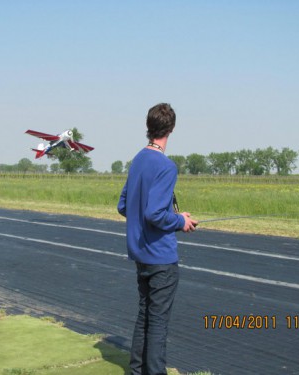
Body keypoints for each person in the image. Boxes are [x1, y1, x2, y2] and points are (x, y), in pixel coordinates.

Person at [117, 103, 197, 375]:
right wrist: (180, 221)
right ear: (171, 130)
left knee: (145, 316)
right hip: (161, 257)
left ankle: (137, 371)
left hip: (140, 254)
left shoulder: (138, 160)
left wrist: (172, 215)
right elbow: (155, 213)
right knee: (159, 322)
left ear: (148, 128)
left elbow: (124, 205)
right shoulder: (166, 166)